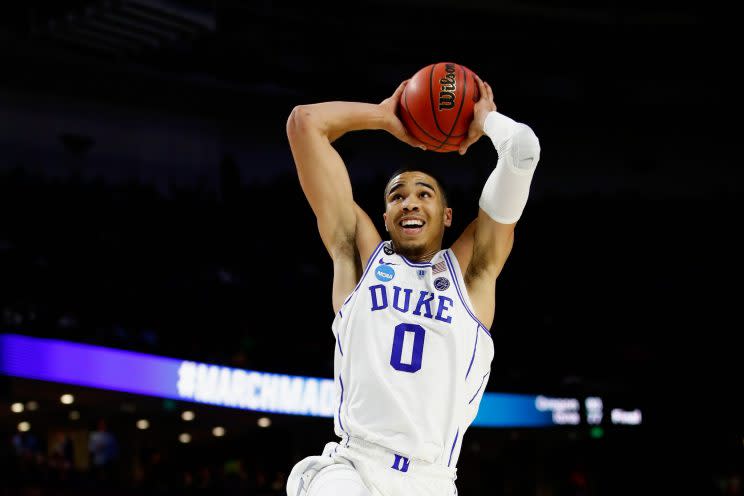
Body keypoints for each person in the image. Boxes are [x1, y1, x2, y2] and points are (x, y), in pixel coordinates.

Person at [285, 74, 541, 496]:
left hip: (431, 480)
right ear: (385, 218)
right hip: (353, 467)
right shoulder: (358, 257)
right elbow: (304, 122)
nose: (409, 201)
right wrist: (385, 116)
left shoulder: (472, 272)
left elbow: (523, 151)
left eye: (425, 194)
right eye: (396, 195)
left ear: (446, 216)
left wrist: (486, 120)